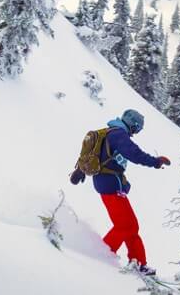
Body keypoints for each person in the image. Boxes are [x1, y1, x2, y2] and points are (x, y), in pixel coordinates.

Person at [70, 109, 170, 276]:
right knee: (126, 225)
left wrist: (80, 170)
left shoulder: (109, 132)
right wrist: (155, 161)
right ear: (133, 124)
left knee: (129, 226)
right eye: (137, 129)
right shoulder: (118, 134)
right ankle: (101, 256)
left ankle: (136, 262)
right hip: (110, 184)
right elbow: (134, 154)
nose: (136, 133)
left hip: (106, 183)